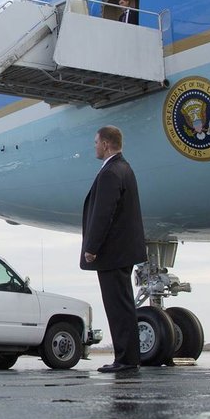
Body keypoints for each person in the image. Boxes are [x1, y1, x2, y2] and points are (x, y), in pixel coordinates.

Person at [81, 126, 147, 373]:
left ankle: (126, 360)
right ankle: (129, 357)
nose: (94, 146)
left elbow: (103, 213)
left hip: (112, 253)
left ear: (106, 144)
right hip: (122, 251)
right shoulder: (124, 168)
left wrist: (92, 247)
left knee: (118, 307)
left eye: (96, 141)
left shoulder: (110, 172)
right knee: (123, 305)